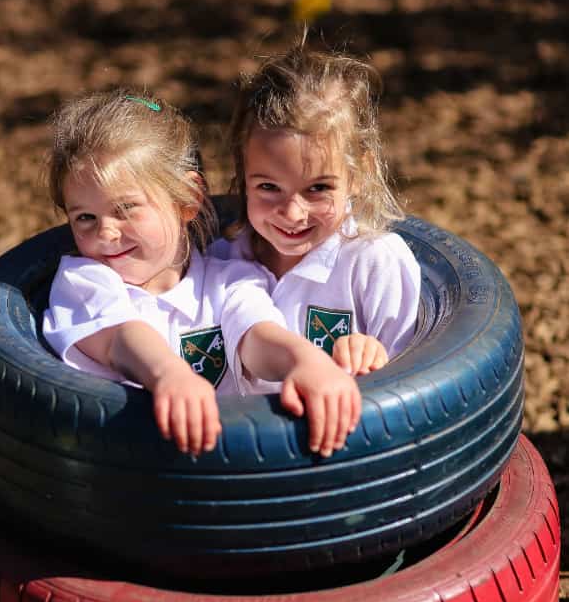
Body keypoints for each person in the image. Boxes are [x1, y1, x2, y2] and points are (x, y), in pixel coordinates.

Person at [42, 89, 361, 459]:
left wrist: (305, 362)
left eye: (126, 209)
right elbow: (118, 340)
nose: (106, 233)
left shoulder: (230, 280)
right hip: (126, 472)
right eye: (85, 218)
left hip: (226, 469)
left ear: (187, 200)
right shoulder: (85, 281)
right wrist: (166, 374)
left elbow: (258, 337)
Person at [209, 32, 421, 377]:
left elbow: (418, 384)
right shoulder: (221, 260)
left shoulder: (373, 263)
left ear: (358, 174)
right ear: (242, 173)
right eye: (268, 187)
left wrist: (373, 357)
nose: (293, 213)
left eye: (318, 188)